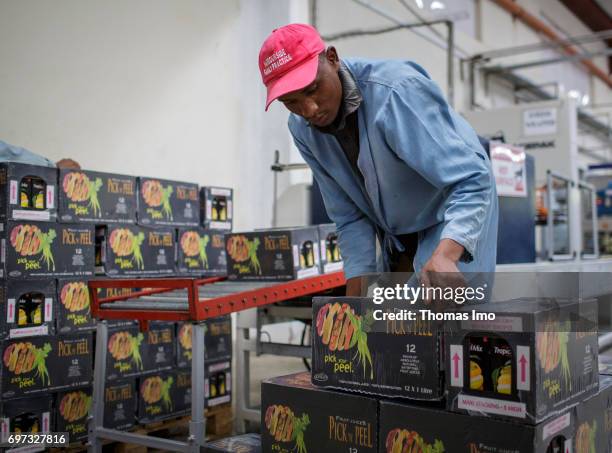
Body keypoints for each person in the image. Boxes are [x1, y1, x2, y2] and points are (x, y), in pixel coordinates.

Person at [258, 24, 498, 296]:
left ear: (333, 59)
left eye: (313, 88)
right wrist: (354, 299)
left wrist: (447, 253)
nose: (309, 109)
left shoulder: (397, 92)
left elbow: (473, 179)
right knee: (384, 325)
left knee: (446, 323)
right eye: (291, 102)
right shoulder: (302, 130)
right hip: (397, 235)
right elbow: (348, 214)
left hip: (451, 220)